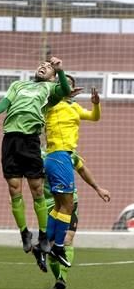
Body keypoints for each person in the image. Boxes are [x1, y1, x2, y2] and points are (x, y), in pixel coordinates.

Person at [0, 57, 71, 255]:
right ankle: (24, 233)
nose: (43, 67)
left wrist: (61, 70)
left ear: (53, 78)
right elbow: (6, 100)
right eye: (42, 64)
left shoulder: (51, 89)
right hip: (11, 140)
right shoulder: (18, 84)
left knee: (37, 189)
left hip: (31, 140)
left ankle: (43, 235)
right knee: (14, 189)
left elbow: (65, 91)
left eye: (48, 67)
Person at [43, 75, 101, 267]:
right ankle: (57, 247)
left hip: (65, 156)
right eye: (62, 85)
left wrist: (96, 104)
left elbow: (94, 117)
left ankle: (44, 245)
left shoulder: (74, 107)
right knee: (67, 207)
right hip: (57, 155)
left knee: (62, 207)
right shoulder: (51, 105)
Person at [32, 150, 111, 289]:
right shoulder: (40, 156)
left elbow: (82, 169)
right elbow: (32, 179)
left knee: (67, 239)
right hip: (48, 205)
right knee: (49, 246)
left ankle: (62, 279)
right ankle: (57, 275)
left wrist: (98, 188)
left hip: (69, 202)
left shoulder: (68, 153)